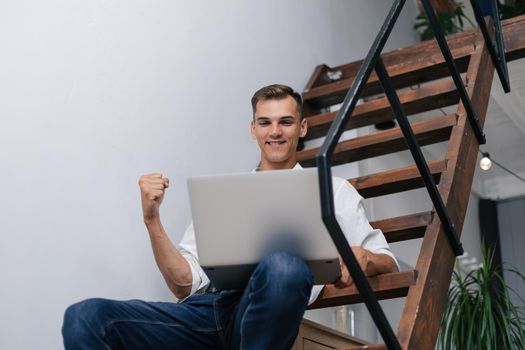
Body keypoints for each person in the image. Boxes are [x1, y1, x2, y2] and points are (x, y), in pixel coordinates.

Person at [62, 84, 398, 349]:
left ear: (303, 127)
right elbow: (184, 282)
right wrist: (152, 219)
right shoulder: (228, 195)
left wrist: (362, 258)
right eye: (265, 122)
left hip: (265, 317)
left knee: (284, 264)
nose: (275, 131)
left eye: (286, 121)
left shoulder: (334, 190)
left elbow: (387, 260)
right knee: (84, 317)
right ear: (253, 129)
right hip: (204, 314)